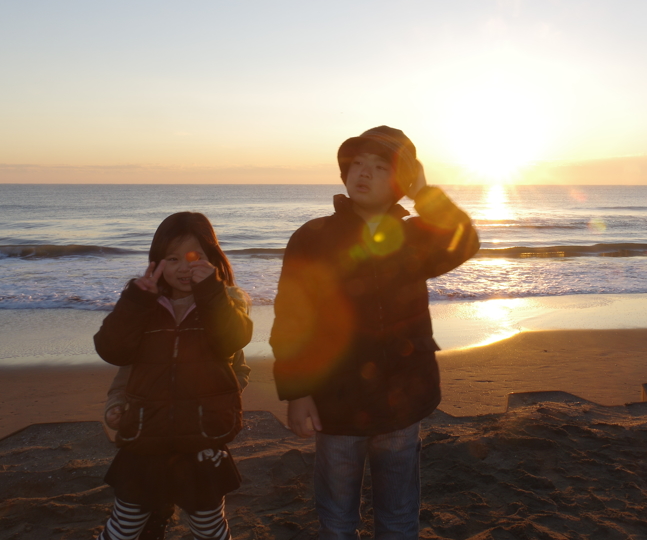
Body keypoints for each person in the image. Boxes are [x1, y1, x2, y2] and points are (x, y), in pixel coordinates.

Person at [270, 126, 479, 539]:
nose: (362, 174)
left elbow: (465, 241)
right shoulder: (313, 237)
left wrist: (426, 194)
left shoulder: (415, 236)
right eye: (357, 165)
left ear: (400, 180)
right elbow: (291, 318)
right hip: (336, 401)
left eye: (380, 167)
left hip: (402, 400)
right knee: (337, 518)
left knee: (399, 515)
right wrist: (297, 390)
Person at [94, 212, 252, 540]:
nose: (184, 267)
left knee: (209, 528)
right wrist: (136, 299)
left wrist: (211, 292)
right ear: (157, 262)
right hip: (145, 436)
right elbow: (113, 350)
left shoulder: (225, 302)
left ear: (213, 259)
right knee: (125, 525)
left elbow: (234, 339)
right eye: (173, 258)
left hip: (202, 438)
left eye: (195, 257)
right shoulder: (144, 305)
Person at [102, 351, 252, 540]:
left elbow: (240, 369)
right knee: (125, 525)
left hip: (201, 442)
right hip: (146, 442)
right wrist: (116, 405)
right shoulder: (144, 325)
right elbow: (126, 376)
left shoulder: (219, 326)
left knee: (209, 526)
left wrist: (224, 394)